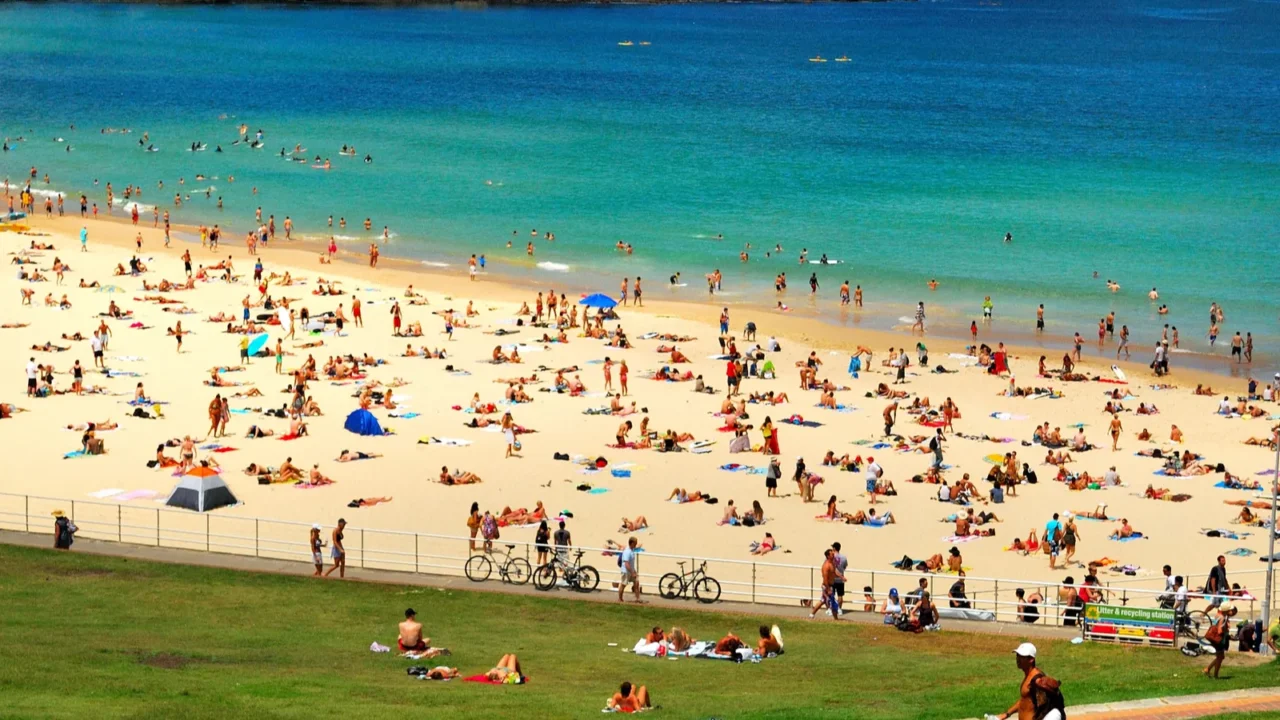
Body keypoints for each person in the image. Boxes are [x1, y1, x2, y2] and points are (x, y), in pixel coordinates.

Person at [992, 643, 1065, 720]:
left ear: (1031, 659)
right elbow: (1024, 701)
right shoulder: (1028, 677)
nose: (1018, 659)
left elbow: (1047, 705)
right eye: (1017, 656)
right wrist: (1006, 714)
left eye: (1022, 657)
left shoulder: (1037, 681)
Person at [1205, 604, 1236, 679]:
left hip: (1213, 638)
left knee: (1220, 657)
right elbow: (1219, 631)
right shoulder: (1223, 618)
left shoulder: (1218, 615)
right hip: (1218, 639)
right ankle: (1215, 675)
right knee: (1220, 657)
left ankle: (1207, 669)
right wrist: (1227, 633)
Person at [618, 536, 643, 603]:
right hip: (626, 571)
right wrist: (632, 572)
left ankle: (637, 598)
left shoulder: (631, 550)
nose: (636, 544)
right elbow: (626, 564)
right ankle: (620, 599)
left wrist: (634, 571)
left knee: (636, 583)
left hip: (631, 571)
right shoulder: (627, 552)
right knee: (623, 584)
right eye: (635, 543)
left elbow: (631, 563)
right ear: (632, 543)